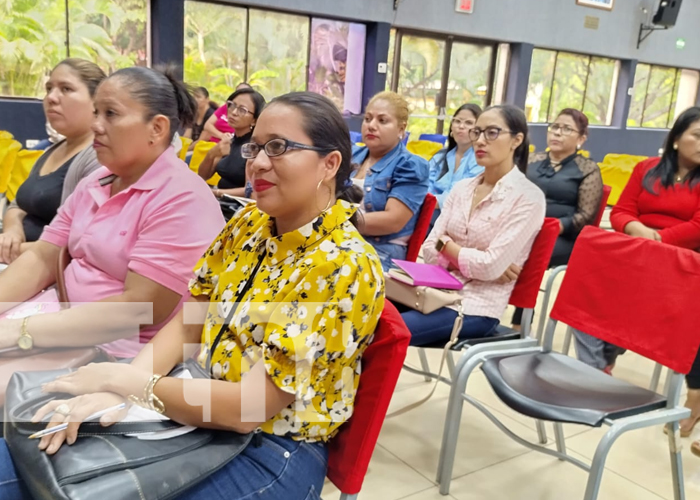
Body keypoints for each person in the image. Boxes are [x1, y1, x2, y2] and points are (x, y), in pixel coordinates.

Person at [0, 92, 385, 500]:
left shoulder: (342, 264)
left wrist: (128, 383)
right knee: (26, 457)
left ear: (330, 163)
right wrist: (119, 389)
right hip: (192, 401)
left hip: (269, 446)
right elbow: (191, 323)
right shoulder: (250, 224)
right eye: (255, 146)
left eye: (279, 147)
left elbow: (248, 408)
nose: (256, 162)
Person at [0, 66, 225, 360]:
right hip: (60, 319)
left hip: (120, 351)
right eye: (96, 113)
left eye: (111, 114)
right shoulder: (99, 180)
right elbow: (43, 255)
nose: (95, 125)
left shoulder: (182, 198)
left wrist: (21, 332)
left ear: (156, 129)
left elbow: (138, 309)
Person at [572, 108, 700, 431]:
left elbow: (697, 226)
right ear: (676, 139)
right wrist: (634, 228)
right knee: (582, 285)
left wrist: (657, 240)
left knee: (634, 306)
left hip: (680, 259)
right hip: (636, 249)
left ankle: (606, 362)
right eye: (697, 135)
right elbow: (623, 210)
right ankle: (595, 371)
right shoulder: (646, 169)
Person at [400, 104, 546, 346]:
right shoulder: (462, 189)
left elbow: (489, 266)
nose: (480, 141)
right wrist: (465, 254)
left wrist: (447, 246)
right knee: (362, 313)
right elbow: (429, 249)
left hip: (475, 306)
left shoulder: (527, 197)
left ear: (516, 140)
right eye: (477, 132)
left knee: (387, 331)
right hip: (434, 291)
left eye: (492, 132)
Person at [0, 59, 106, 263]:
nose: (51, 98)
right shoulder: (51, 150)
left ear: (96, 101)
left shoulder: (98, 157)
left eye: (66, 89)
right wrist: (12, 233)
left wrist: (14, 250)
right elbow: (17, 205)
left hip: (48, 270)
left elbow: (80, 243)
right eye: (49, 88)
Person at [511, 108, 603, 328]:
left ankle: (519, 322)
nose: (557, 133)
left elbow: (586, 216)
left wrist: (552, 227)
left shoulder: (588, 170)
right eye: (555, 127)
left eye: (566, 129)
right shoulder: (531, 161)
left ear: (581, 138)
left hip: (564, 236)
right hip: (525, 228)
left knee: (532, 251)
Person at [351, 91, 429, 270]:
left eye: (382, 120)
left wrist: (335, 221)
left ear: (401, 129)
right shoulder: (351, 156)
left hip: (379, 253)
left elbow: (392, 221)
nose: (371, 126)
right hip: (340, 240)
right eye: (367, 119)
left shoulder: (410, 165)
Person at [197, 88, 265, 199]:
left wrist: (216, 192)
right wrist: (211, 154)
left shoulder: (253, 147)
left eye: (242, 110)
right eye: (232, 105)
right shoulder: (230, 140)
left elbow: (250, 190)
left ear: (254, 120)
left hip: (237, 206)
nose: (233, 112)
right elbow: (203, 176)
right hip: (220, 200)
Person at [428, 103, 484, 225]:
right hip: (431, 209)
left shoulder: (480, 159)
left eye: (468, 123)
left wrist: (431, 202)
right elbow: (425, 183)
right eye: (457, 121)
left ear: (478, 131)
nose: (461, 126)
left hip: (460, 217)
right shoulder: (440, 156)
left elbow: (463, 195)